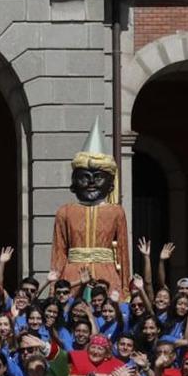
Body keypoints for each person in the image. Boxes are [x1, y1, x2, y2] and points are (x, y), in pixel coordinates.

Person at [51, 120, 131, 293]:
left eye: (99, 177)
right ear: (73, 183)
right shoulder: (64, 212)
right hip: (72, 276)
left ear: (111, 185)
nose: (92, 182)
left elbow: (123, 253)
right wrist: (54, 289)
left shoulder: (116, 212)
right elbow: (59, 255)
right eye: (85, 177)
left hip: (107, 276)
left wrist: (125, 290)